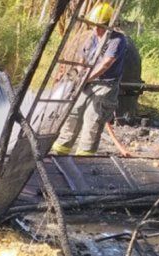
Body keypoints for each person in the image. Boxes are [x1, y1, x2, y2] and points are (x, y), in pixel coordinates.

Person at [52, 2, 128, 156]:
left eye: (99, 26)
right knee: (74, 111)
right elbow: (83, 59)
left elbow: (106, 64)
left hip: (105, 86)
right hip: (87, 83)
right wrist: (78, 74)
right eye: (93, 25)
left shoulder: (117, 40)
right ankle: (61, 149)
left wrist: (86, 78)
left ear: (109, 24)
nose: (95, 29)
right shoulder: (92, 38)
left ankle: (85, 156)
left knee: (93, 117)